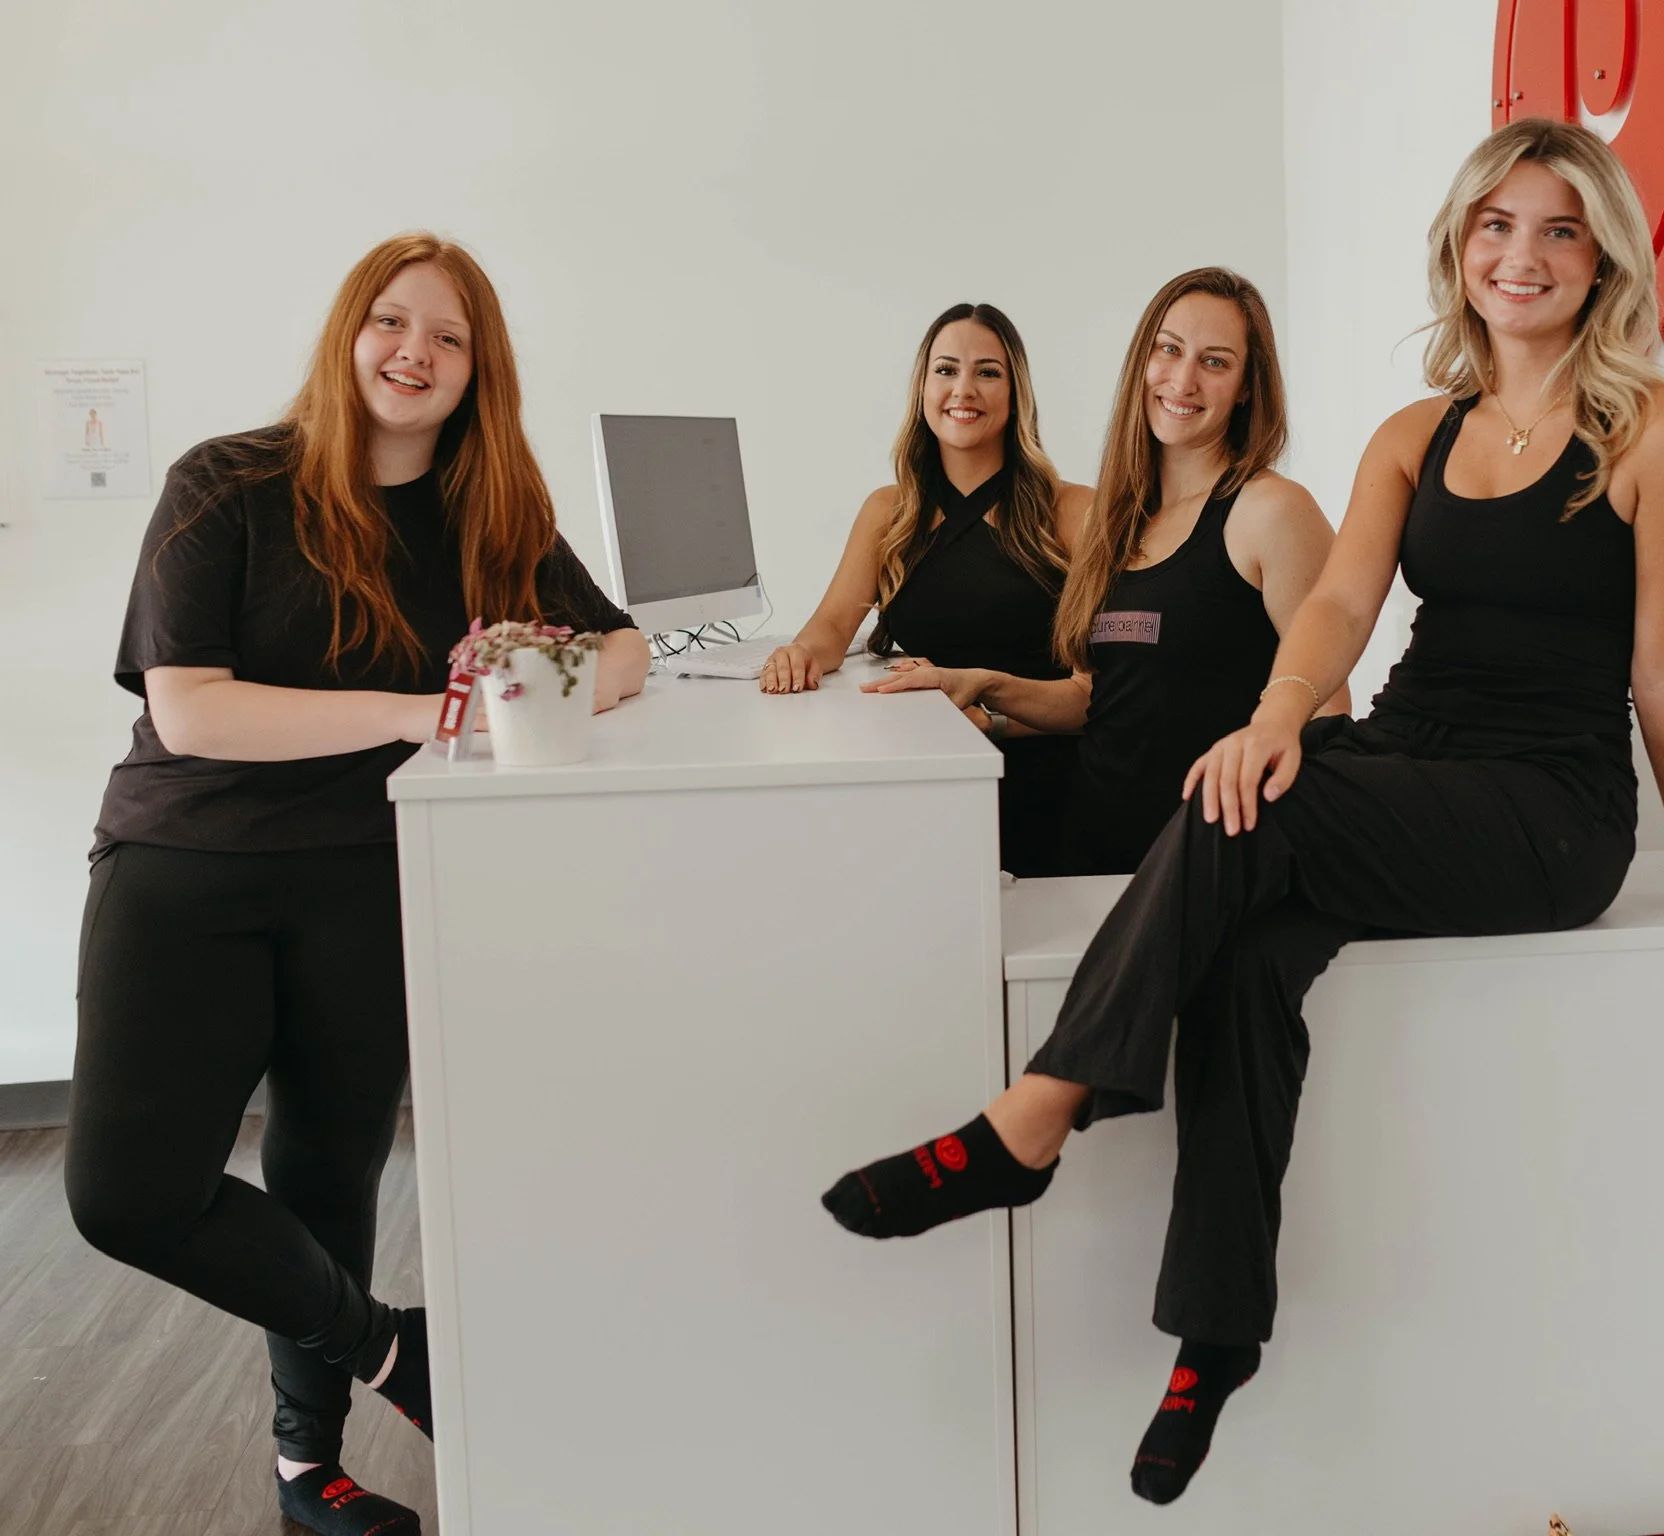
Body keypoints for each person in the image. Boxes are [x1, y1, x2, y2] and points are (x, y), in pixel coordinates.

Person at [822, 121, 1664, 1504]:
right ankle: (1214, 1337)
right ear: (1459, 247)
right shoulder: (1417, 433)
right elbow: (1342, 603)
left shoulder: (1656, 429)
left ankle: (1031, 1118)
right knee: (1241, 931)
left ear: (1602, 261)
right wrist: (1278, 714)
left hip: (1547, 803)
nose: (1521, 256)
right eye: (1495, 226)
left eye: (1558, 231)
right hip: (1410, 753)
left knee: (1252, 810)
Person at [66, 233, 647, 1536]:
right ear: (349, 332)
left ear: (477, 370)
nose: (413, 353)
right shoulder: (228, 482)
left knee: (328, 1175)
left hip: (367, 877)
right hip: (188, 869)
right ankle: (396, 1349)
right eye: (391, 321)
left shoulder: (490, 515)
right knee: (126, 1196)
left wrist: (531, 686)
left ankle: (307, 1471)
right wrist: (414, 710)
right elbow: (193, 710)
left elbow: (623, 648)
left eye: (447, 337)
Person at [866, 267, 1344, 876]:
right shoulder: (1118, 518)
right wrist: (982, 683)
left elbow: (1328, 713)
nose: (1183, 380)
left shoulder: (1272, 511)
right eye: (1168, 350)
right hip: (1093, 854)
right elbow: (1097, 699)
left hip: (1210, 864)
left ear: (1248, 386)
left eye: (1215, 362)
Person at [758, 303, 1089, 875]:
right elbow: (832, 627)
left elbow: (1106, 696)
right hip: (931, 775)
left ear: (1017, 394)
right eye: (946, 370)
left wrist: (995, 716)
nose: (964, 389)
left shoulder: (1074, 511)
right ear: (923, 388)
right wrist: (799, 654)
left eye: (988, 372)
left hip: (1049, 778)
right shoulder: (890, 512)